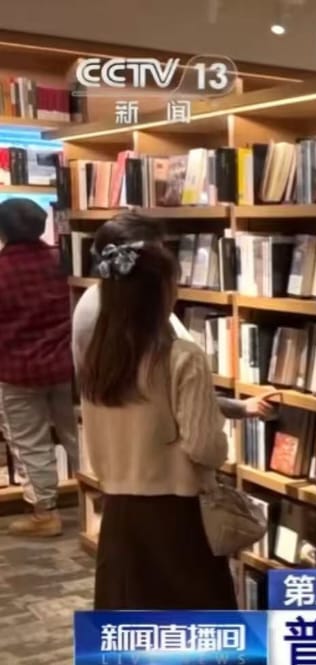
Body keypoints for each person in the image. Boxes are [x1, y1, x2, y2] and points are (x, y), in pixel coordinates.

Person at [81, 216, 236, 609]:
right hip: (177, 514)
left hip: (118, 511)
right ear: (159, 292)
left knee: (128, 622)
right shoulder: (182, 357)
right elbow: (205, 447)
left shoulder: (98, 356)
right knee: (198, 626)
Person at [71, 213, 277, 420]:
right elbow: (172, 393)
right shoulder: (122, 316)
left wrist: (239, 407)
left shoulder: (103, 303)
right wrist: (239, 408)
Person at [0, 198, 78, 537]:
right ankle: (103, 504)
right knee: (79, 437)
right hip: (67, 366)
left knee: (29, 443)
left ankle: (45, 514)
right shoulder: (64, 260)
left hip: (17, 371)